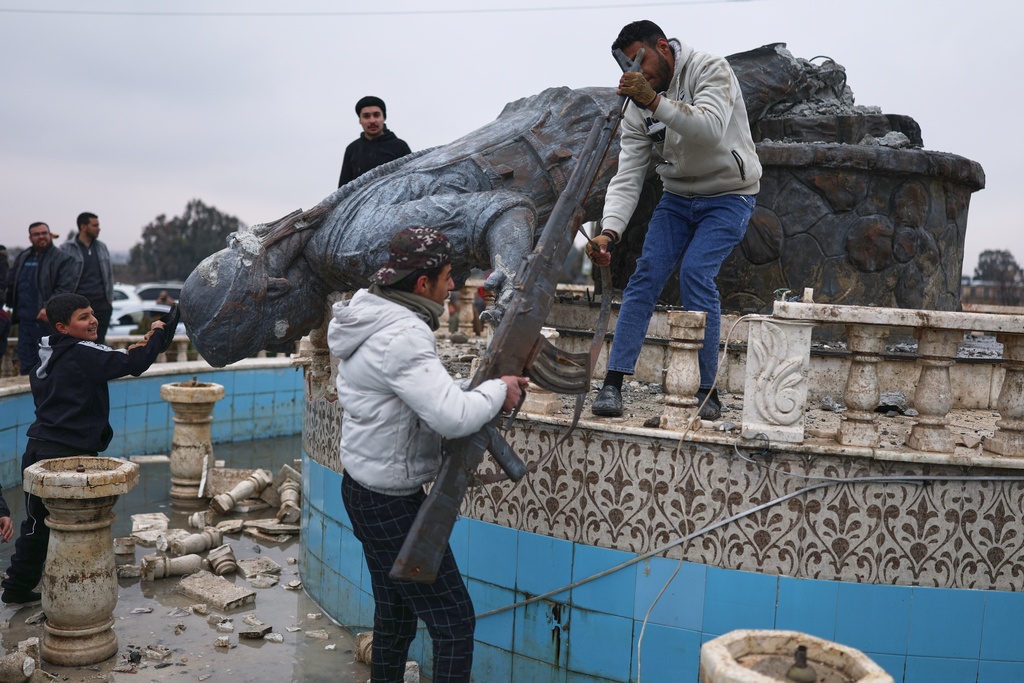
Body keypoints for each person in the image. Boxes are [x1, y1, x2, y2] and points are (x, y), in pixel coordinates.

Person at [327, 226, 527, 682]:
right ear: (423, 284)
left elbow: (416, 394)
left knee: (395, 619)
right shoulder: (404, 334)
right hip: (390, 503)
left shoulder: (373, 315)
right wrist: (499, 390)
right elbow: (451, 418)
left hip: (362, 489)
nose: (454, 286)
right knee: (454, 622)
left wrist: (475, 391)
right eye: (448, 277)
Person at [586, 20, 761, 420]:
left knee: (696, 274)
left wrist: (653, 101)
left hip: (730, 195)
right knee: (646, 274)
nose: (635, 73)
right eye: (626, 66)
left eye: (640, 61)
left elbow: (711, 129)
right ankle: (613, 384)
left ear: (663, 47)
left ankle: (707, 391)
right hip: (678, 197)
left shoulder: (710, 69)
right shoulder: (638, 105)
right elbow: (628, 174)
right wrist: (610, 232)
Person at [1, 293, 168, 605]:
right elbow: (135, 362)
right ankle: (78, 592)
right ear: (64, 326)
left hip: (37, 449)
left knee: (37, 524)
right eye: (83, 317)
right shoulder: (82, 353)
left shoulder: (45, 353)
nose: (93, 321)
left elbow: (115, 357)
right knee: (79, 526)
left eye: (92, 314)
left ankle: (17, 586)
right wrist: (158, 332)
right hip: (68, 456)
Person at [6, 222, 76, 375]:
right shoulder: (24, 257)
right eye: (36, 234)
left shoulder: (63, 259)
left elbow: (65, 288)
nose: (41, 237)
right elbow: (11, 284)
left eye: (44, 233)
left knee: (48, 365)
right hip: (24, 322)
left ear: (50, 234)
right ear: (30, 238)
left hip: (47, 322)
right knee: (27, 364)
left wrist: (48, 308)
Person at [61, 212, 115, 344]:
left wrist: (109, 301)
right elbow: (60, 277)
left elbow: (109, 275)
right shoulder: (66, 248)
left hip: (101, 304)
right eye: (95, 225)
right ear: (83, 227)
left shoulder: (102, 247)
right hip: (77, 304)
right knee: (76, 343)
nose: (98, 228)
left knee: (99, 343)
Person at [337, 96, 412, 187]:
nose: (372, 121)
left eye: (376, 115)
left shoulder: (400, 146)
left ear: (383, 117)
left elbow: (411, 181)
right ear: (360, 120)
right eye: (366, 116)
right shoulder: (352, 149)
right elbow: (343, 189)